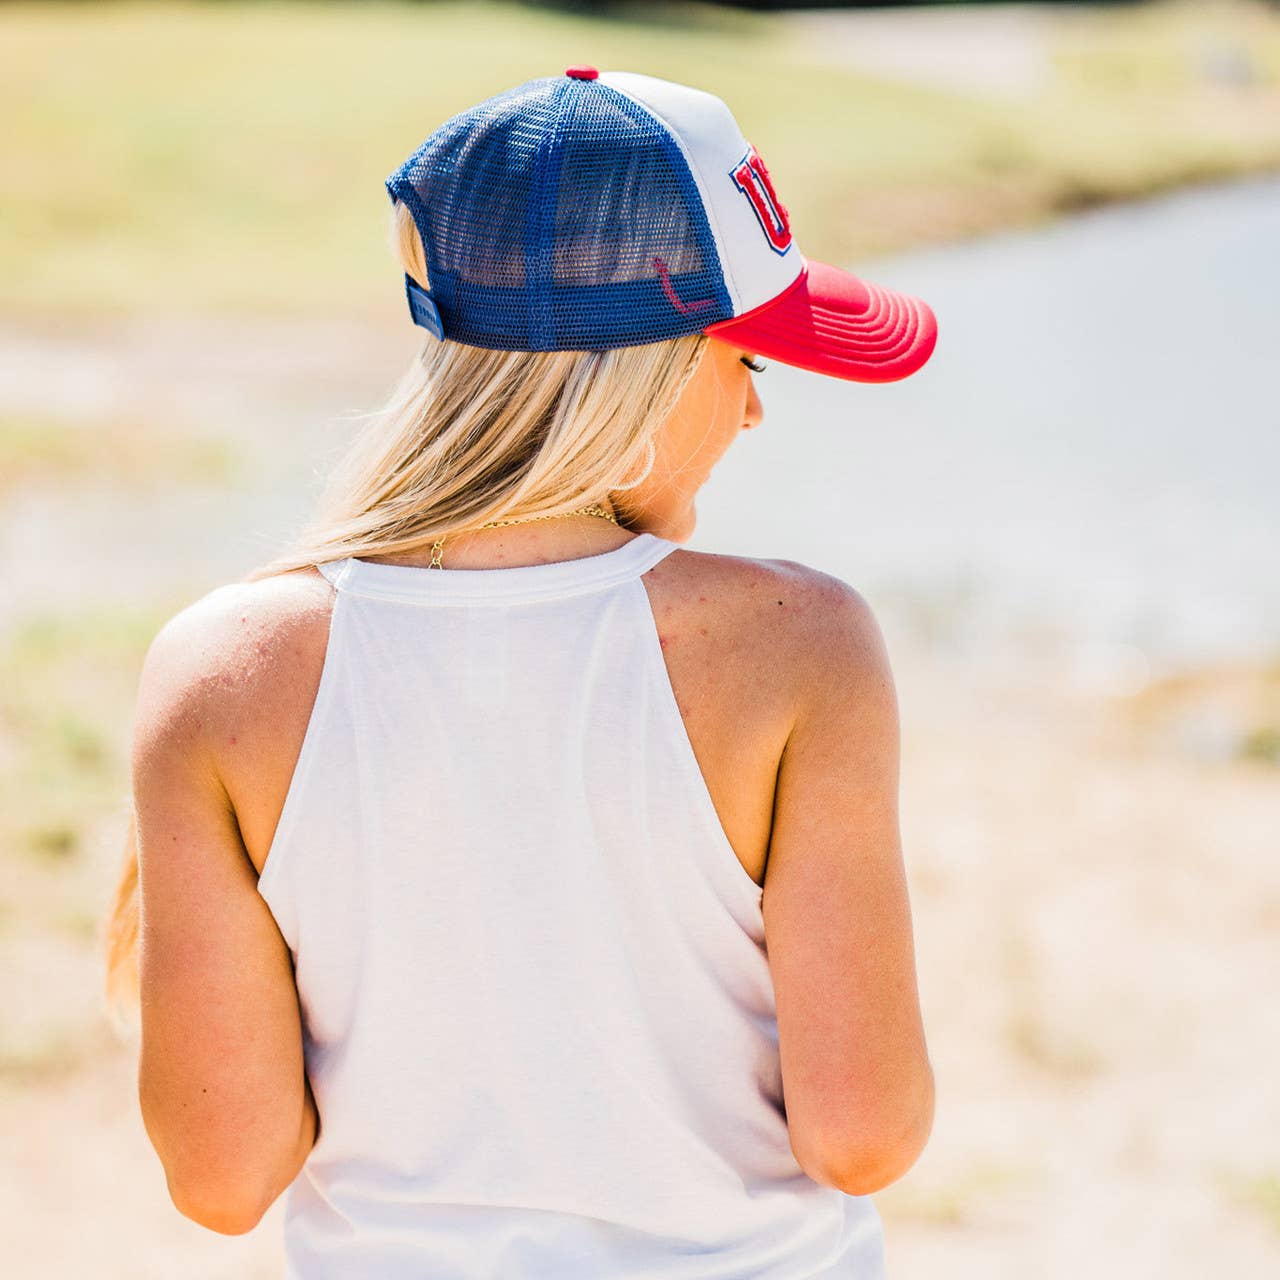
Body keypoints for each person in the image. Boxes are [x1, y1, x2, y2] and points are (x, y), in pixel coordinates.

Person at [104, 67, 938, 1278]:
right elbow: (863, 1136)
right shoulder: (799, 642)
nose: (755, 415)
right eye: (746, 363)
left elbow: (224, 1177)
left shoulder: (216, 668)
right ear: (643, 367)